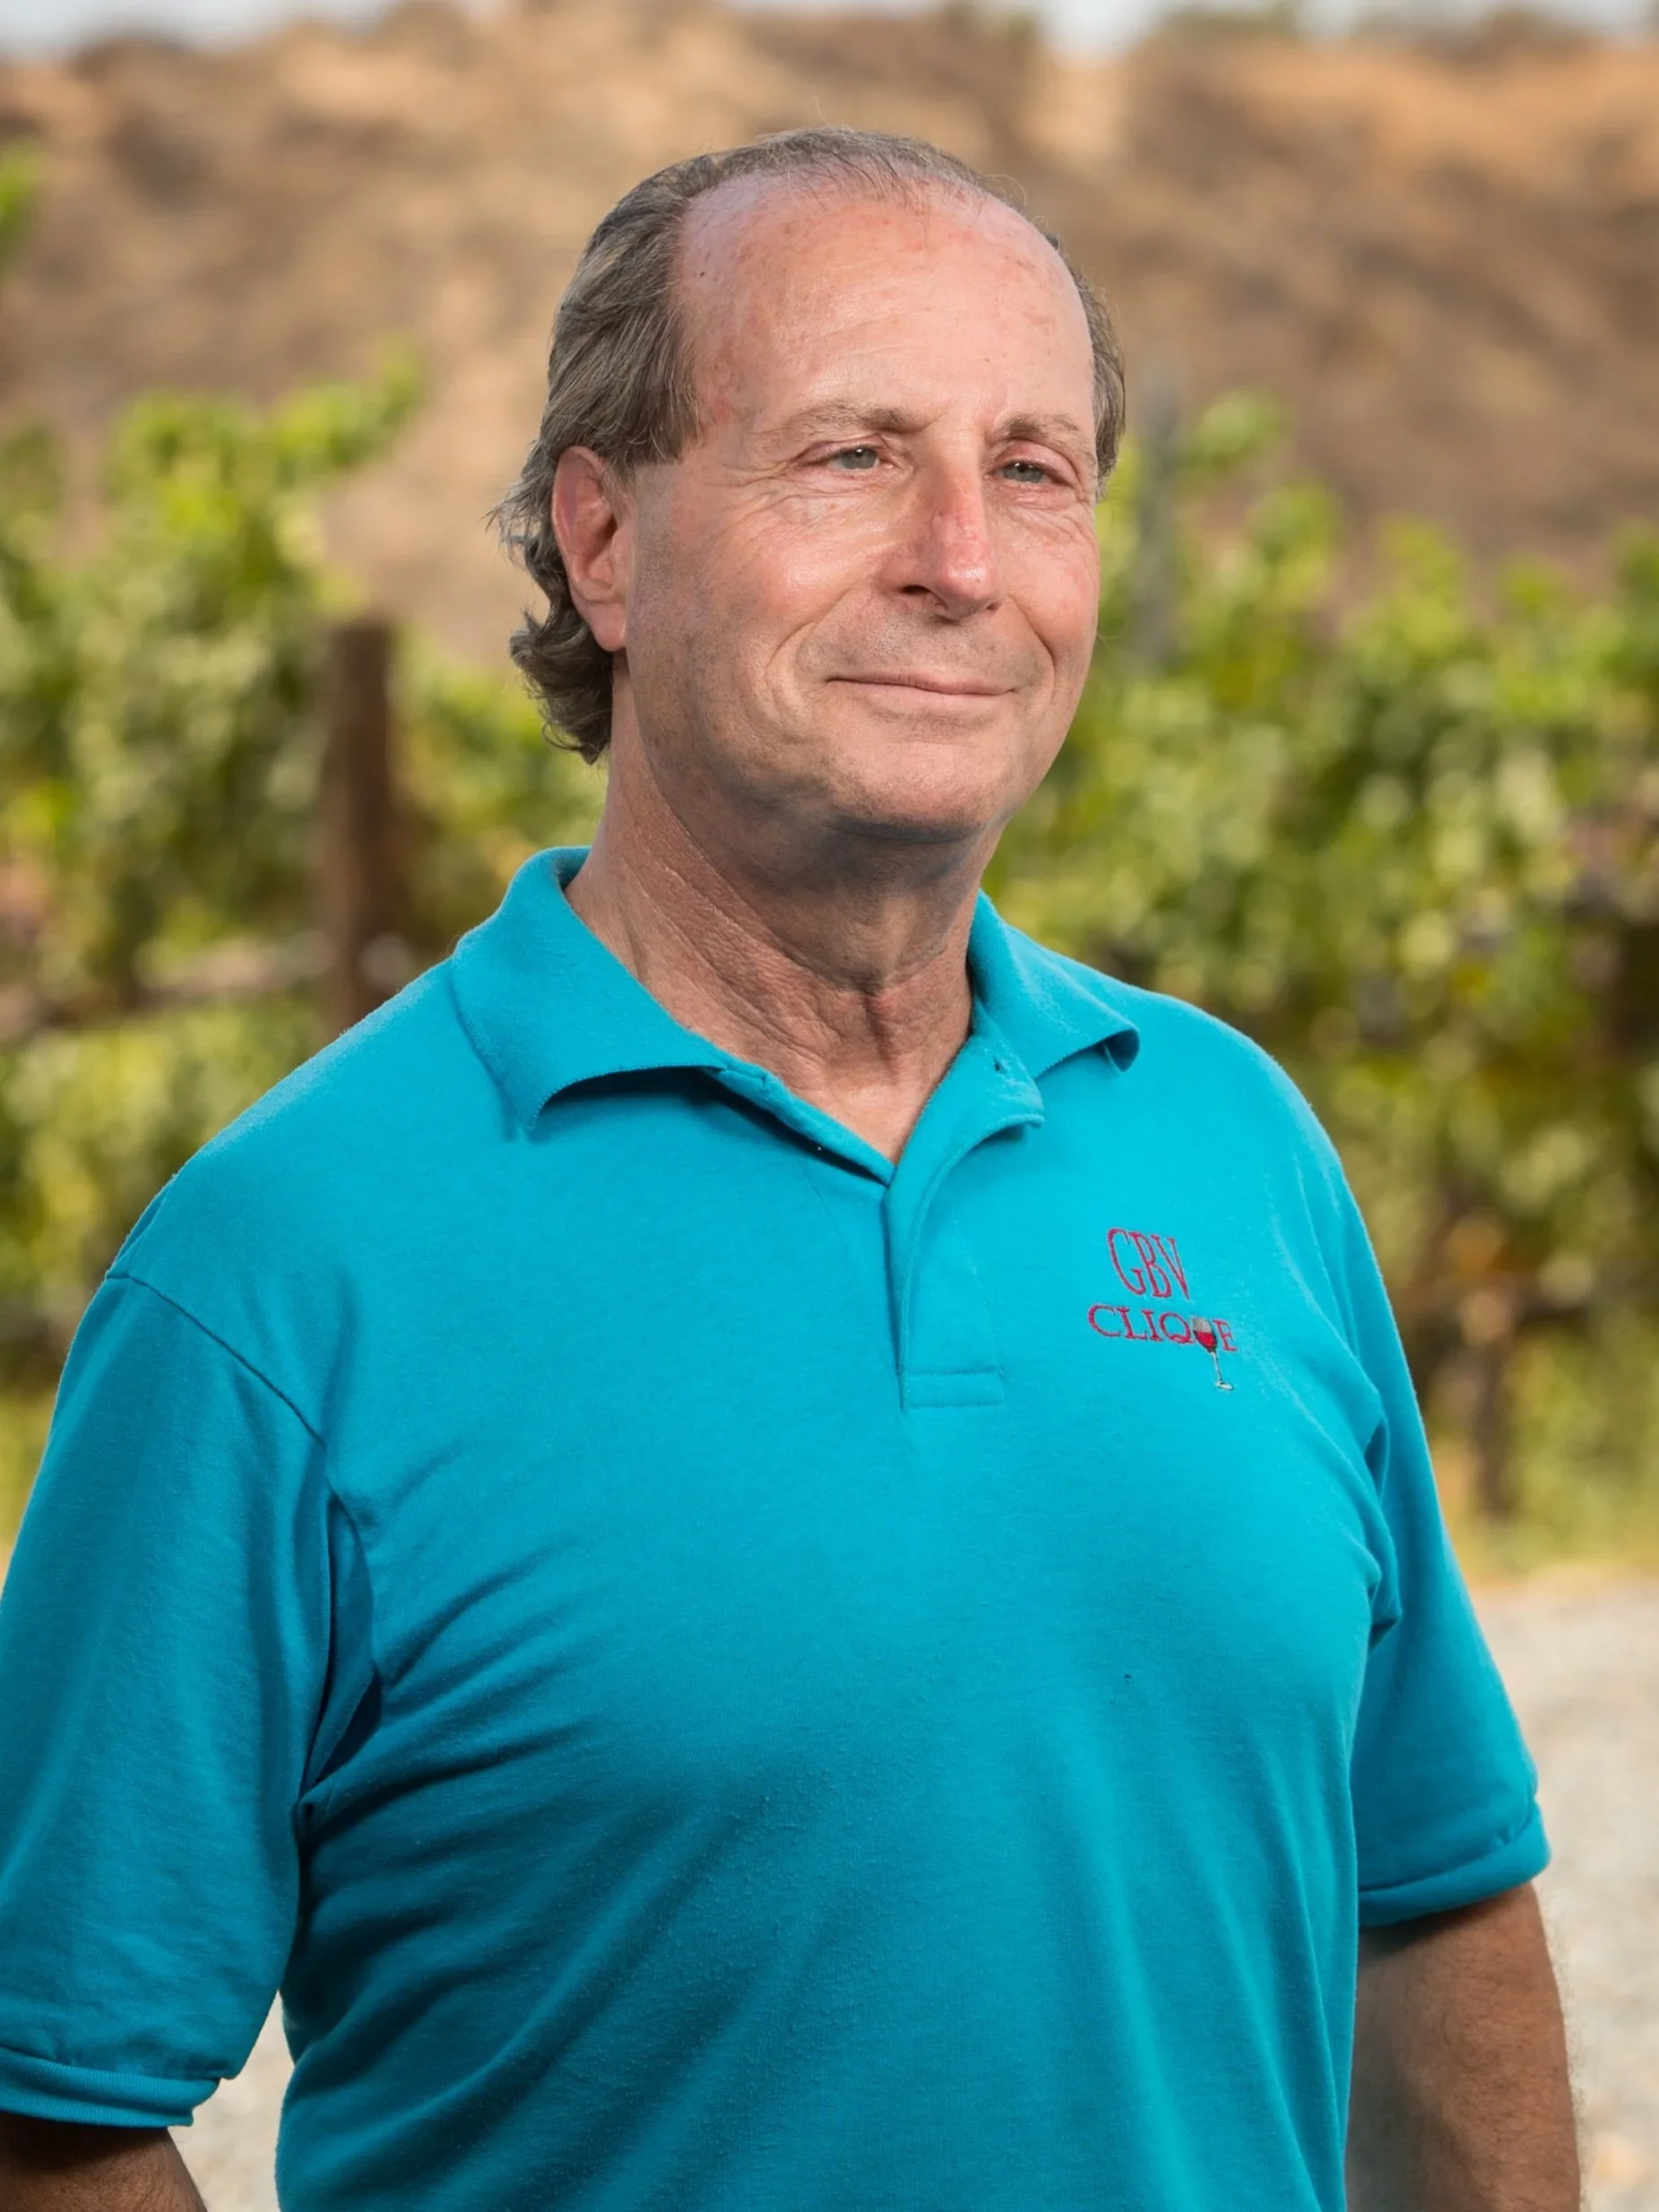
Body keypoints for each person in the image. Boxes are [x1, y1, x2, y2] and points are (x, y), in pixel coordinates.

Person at [0, 128, 1577, 2212]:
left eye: (1034, 471)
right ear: (605, 543)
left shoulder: (1234, 1146)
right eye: (849, 455)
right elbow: (55, 2099)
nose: (961, 556)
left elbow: (1430, 1888)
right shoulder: (282, 1274)